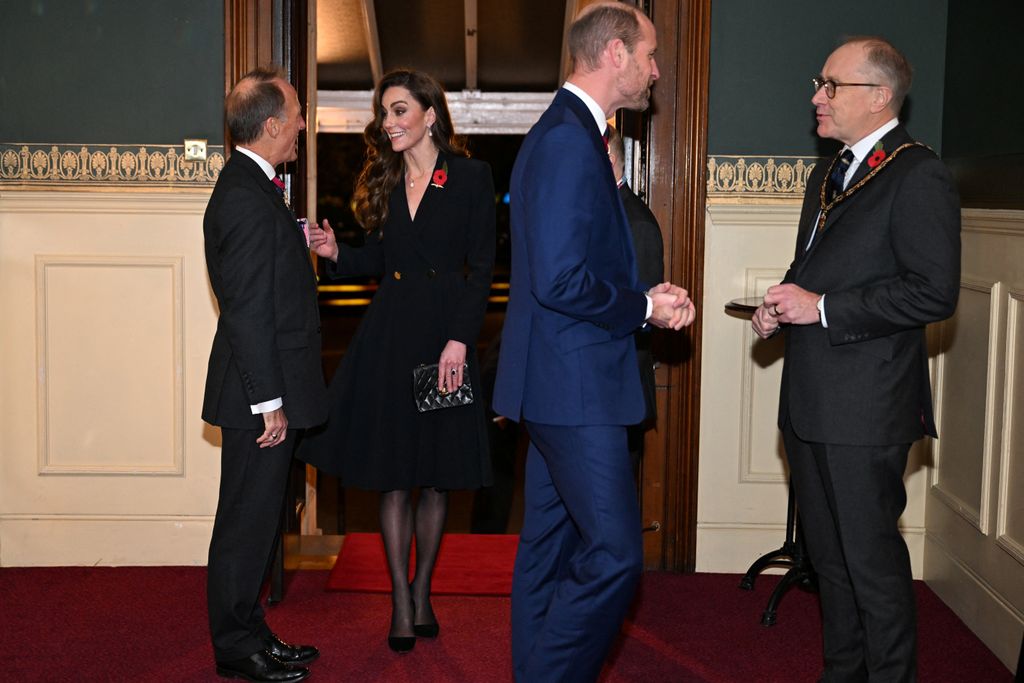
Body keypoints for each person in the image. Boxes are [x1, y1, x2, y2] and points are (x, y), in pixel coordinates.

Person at [492, 4, 697, 681]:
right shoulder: (566, 141)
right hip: (574, 388)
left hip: (559, 382)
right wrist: (642, 306)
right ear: (614, 53)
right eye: (649, 55)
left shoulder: (575, 132)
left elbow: (575, 266)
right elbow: (559, 280)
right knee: (615, 555)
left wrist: (647, 301)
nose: (655, 70)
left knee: (549, 550)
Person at [752, 37, 960, 681]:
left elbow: (934, 291)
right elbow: (812, 269)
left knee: (870, 566)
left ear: (878, 97)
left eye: (830, 85)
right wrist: (781, 304)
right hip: (811, 402)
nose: (816, 96)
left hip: (867, 409)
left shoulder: (917, 173)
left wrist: (821, 308)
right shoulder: (829, 170)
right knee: (831, 563)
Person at [300, 69, 496, 654]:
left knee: (436, 477)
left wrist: (460, 341)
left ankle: (424, 587)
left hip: (444, 342)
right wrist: (338, 253)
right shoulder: (387, 181)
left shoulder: (469, 176)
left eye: (401, 111)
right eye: (385, 112)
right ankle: (400, 602)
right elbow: (384, 259)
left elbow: (482, 268)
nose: (389, 123)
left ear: (430, 114)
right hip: (390, 338)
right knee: (393, 476)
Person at [202, 66, 328, 682]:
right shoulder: (247, 199)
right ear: (273, 125)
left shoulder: (254, 188)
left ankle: (250, 631)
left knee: (256, 520)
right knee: (245, 523)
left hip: (261, 388)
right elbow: (249, 312)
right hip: (258, 396)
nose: (304, 123)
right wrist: (269, 403)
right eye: (298, 113)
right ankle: (234, 645)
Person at [606, 124, 665, 469]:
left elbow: (642, 315)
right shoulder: (599, 213)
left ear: (609, 158)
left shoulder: (636, 223)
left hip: (619, 389)